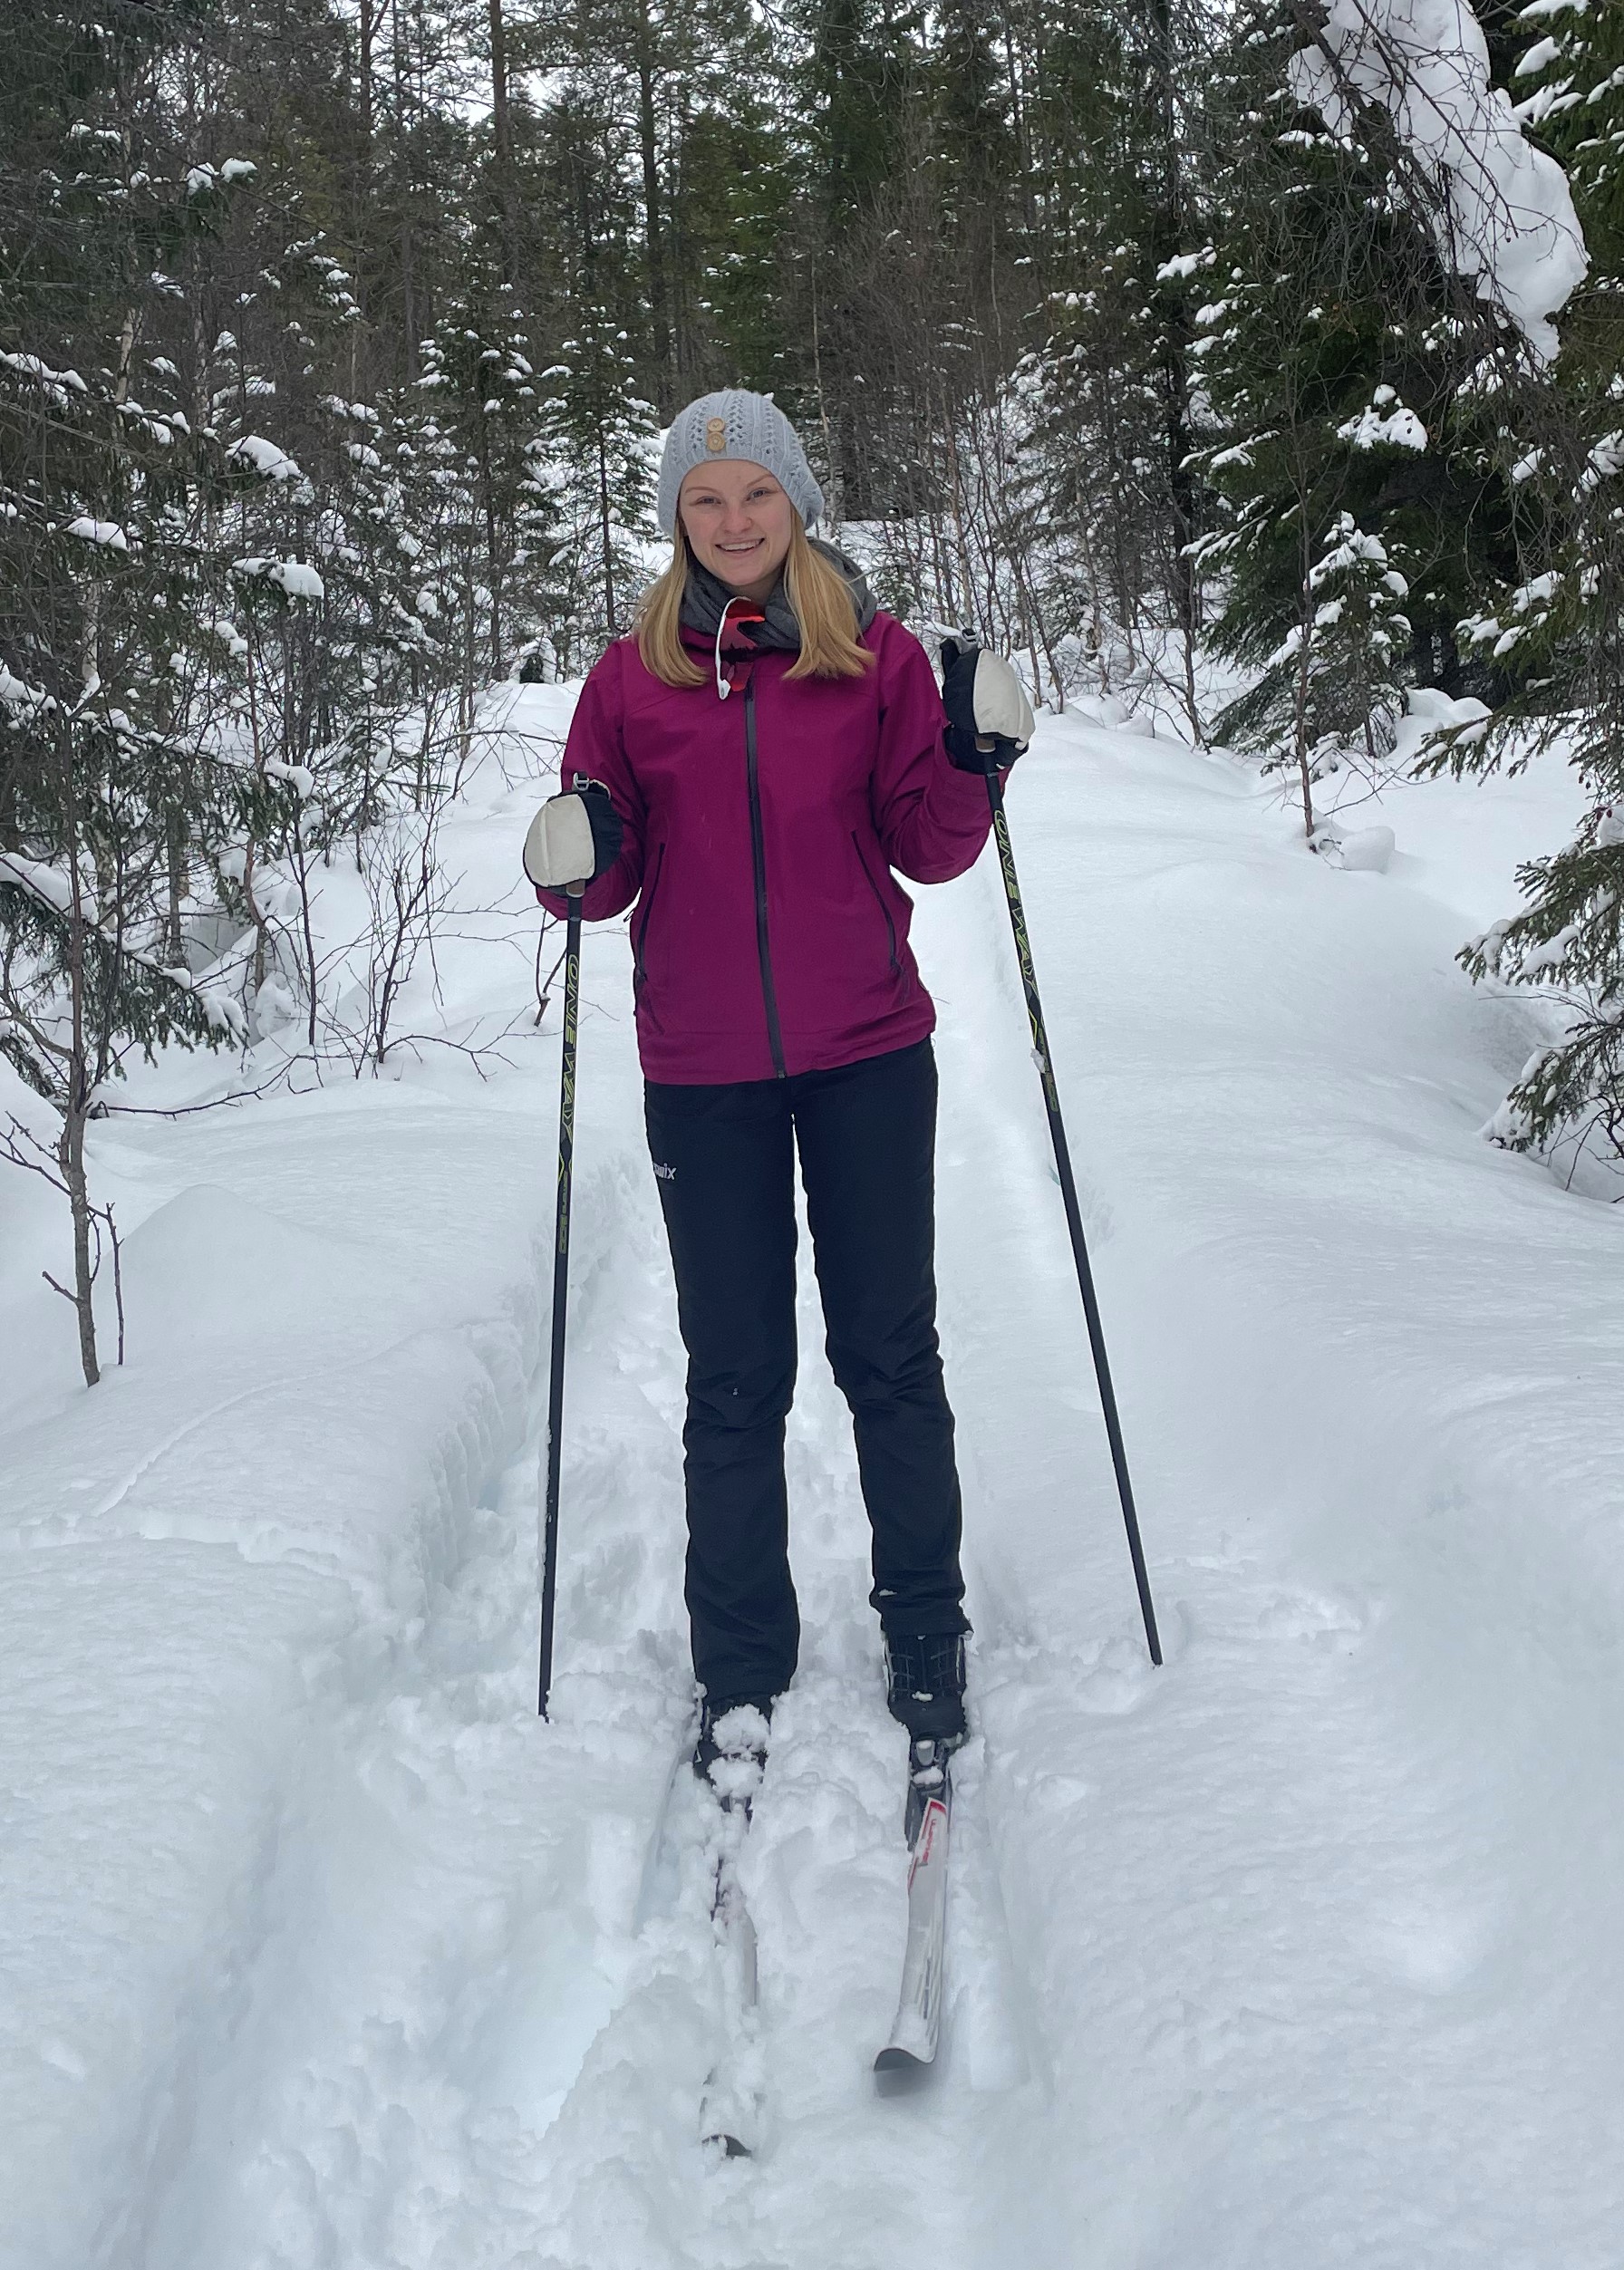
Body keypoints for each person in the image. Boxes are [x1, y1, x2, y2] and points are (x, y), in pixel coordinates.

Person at [524, 389, 1032, 1772]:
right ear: (678, 520)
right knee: (735, 1374)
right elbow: (611, 871)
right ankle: (739, 1655)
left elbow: (928, 845)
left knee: (889, 1353)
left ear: (795, 503)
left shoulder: (870, 658)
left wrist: (975, 761)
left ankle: (925, 1619)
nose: (734, 520)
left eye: (755, 494)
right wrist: (579, 854)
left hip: (868, 1050)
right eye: (706, 499)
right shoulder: (631, 680)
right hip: (703, 1072)